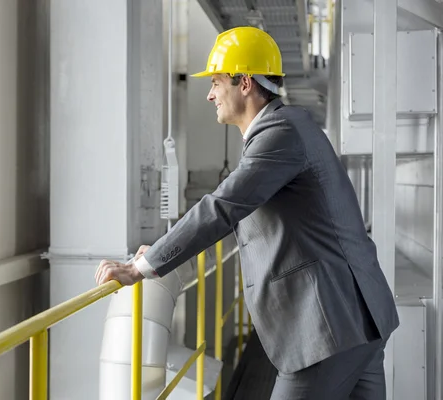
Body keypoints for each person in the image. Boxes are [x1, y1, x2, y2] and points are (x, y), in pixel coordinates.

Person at [94, 26, 399, 399]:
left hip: (328, 328)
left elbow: (222, 206)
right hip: (359, 320)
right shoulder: (289, 127)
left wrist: (141, 267)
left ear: (245, 83)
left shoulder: (280, 132)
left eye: (217, 82)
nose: (209, 94)